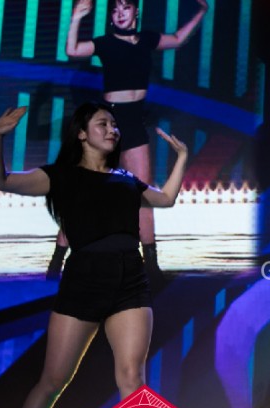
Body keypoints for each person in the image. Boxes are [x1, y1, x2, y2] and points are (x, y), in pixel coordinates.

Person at [0, 102, 189, 408]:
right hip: (83, 280)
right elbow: (1, 181)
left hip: (129, 279)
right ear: (82, 133)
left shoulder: (125, 179)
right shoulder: (59, 176)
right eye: (103, 124)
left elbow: (165, 199)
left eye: (114, 124)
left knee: (131, 376)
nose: (113, 129)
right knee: (53, 381)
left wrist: (182, 157)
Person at [48, 0, 208, 279]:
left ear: (136, 11)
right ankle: (57, 261)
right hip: (109, 122)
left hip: (134, 123)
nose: (120, 13)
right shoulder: (106, 43)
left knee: (142, 196)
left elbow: (177, 39)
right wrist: (76, 18)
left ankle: (151, 264)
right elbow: (72, 50)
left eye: (125, 7)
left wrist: (201, 11)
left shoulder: (146, 39)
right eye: (115, 9)